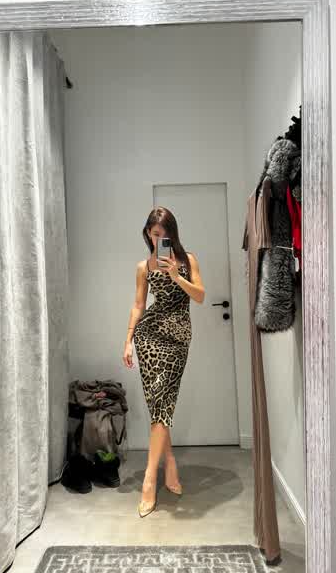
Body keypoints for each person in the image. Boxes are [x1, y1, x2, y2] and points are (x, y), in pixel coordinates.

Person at [122, 206, 205, 518]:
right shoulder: (143, 267)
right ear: (148, 233)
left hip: (178, 338)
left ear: (173, 234)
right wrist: (128, 340)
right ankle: (166, 465)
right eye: (155, 234)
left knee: (162, 401)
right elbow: (138, 305)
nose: (160, 239)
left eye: (165, 234)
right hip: (149, 338)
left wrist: (175, 276)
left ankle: (151, 476)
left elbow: (200, 295)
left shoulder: (187, 260)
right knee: (160, 403)